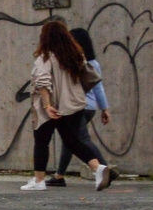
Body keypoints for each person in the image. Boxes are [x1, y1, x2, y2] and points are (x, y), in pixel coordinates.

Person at [24, 17, 112, 192]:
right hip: (74, 104)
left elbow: (42, 82)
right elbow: (90, 78)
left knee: (41, 141)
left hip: (51, 107)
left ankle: (39, 180)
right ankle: (98, 168)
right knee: (72, 141)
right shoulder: (76, 56)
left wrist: (48, 106)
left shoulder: (45, 57)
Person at [46, 26, 113, 186]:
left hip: (78, 107)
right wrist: (104, 108)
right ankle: (59, 176)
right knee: (70, 140)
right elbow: (99, 88)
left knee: (81, 139)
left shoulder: (74, 62)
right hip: (91, 107)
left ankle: (105, 170)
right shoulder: (93, 63)